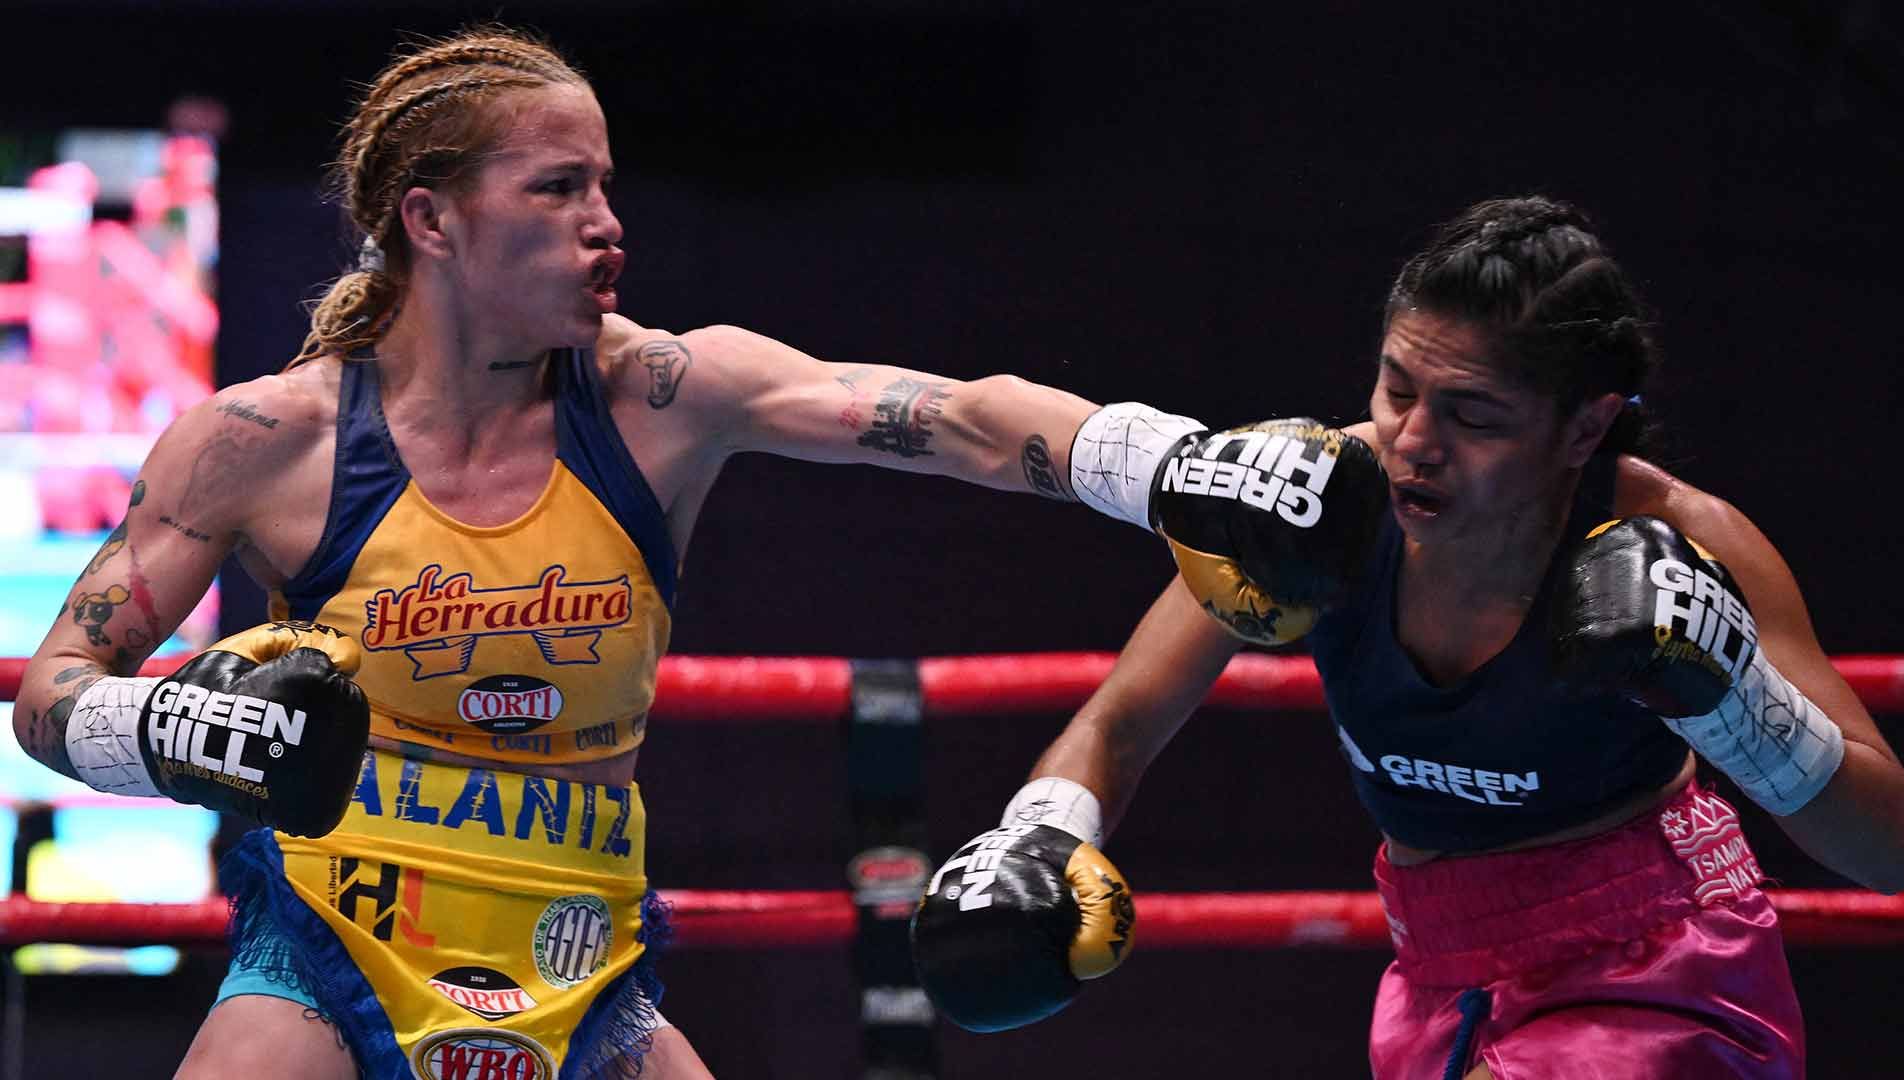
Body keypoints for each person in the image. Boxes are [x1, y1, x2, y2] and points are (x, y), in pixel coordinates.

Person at [7, 26, 1278, 1080]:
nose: (606, 223)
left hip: (589, 971)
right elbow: (51, 694)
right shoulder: (261, 442)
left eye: (605, 186)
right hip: (326, 964)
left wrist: (1183, 466)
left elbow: (960, 419)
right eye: (557, 189)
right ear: (431, 220)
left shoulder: (661, 397)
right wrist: (174, 728)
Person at [913, 197, 1904, 1078]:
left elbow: (1888, 851)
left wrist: (1733, 693)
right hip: (1434, 973)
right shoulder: (1315, 507)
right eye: (1398, 390)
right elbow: (1122, 721)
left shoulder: (1689, 539)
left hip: (1656, 969)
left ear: (1583, 428)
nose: (1415, 442)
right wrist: (1041, 831)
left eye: (1473, 416)